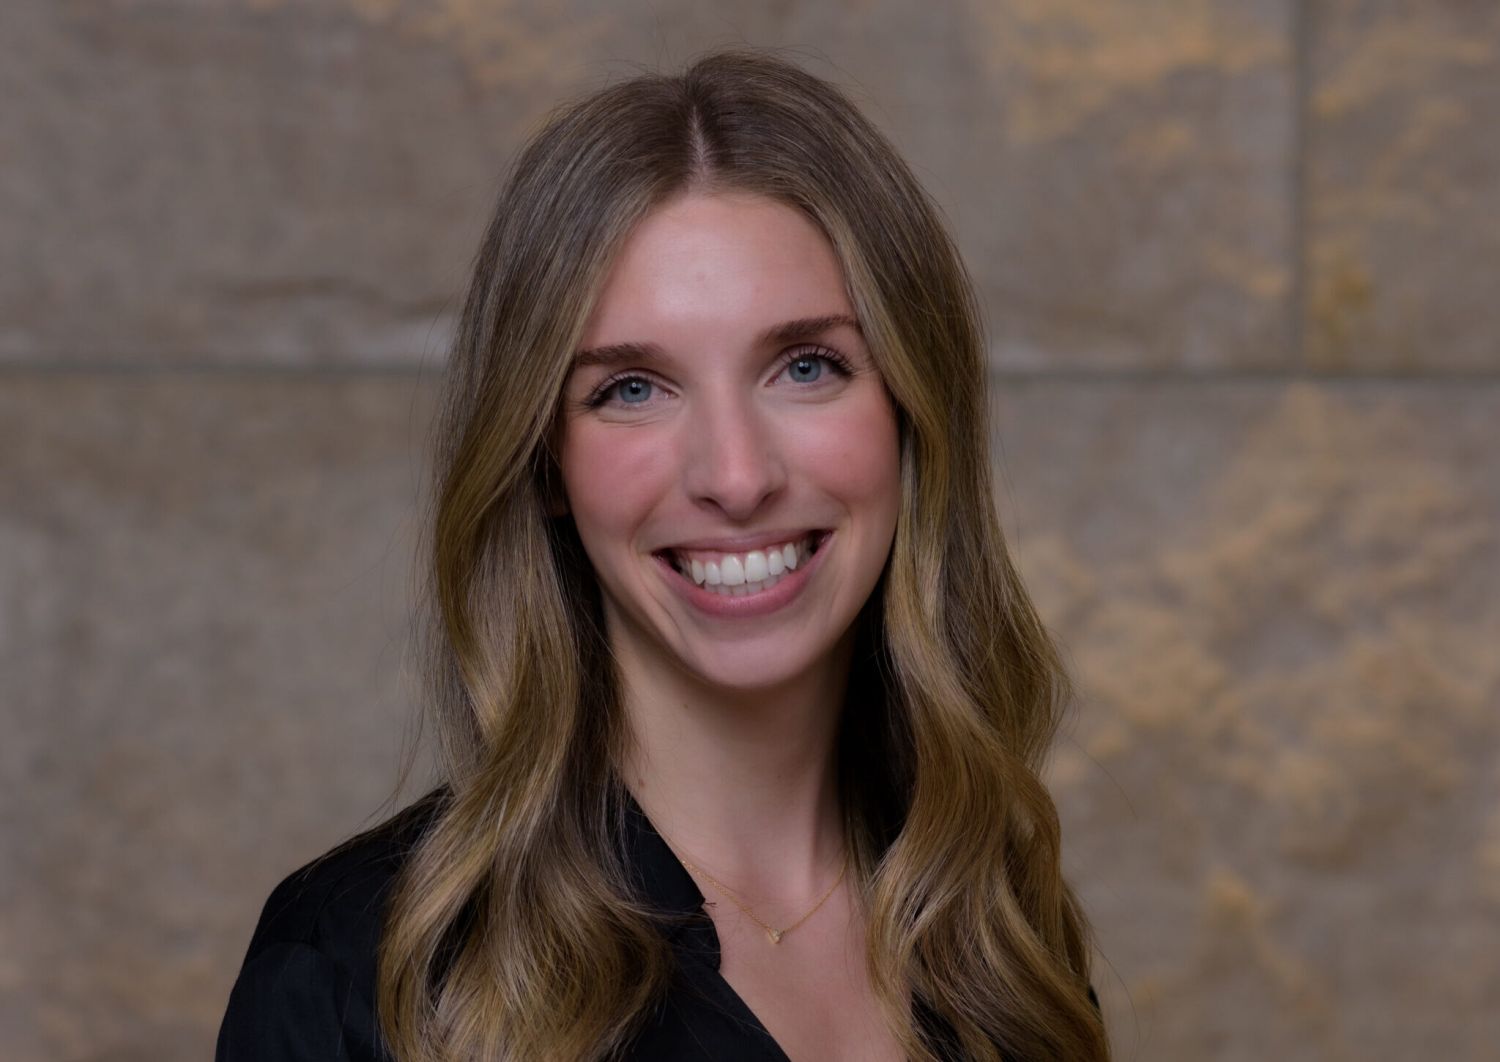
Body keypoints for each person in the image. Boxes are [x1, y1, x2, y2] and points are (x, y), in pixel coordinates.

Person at [216, 48, 1110, 1062]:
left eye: (806, 366)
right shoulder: (363, 969)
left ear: (912, 410)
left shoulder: (996, 935)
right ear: (544, 459)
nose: (735, 476)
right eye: (631, 389)